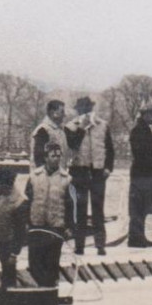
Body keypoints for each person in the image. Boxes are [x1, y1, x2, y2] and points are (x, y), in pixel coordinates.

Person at [65, 95, 114, 255]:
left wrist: (108, 168)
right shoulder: (70, 126)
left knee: (98, 208)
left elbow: (110, 149)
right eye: (82, 110)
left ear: (92, 109)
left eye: (88, 109)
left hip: (98, 172)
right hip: (79, 171)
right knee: (80, 210)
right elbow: (71, 146)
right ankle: (79, 246)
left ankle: (100, 245)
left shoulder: (103, 125)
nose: (86, 112)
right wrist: (81, 128)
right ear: (78, 111)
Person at [25, 141, 74, 286]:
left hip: (55, 227)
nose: (57, 159)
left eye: (59, 156)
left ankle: (50, 294)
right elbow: (27, 201)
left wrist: (69, 226)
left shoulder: (67, 179)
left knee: (52, 264)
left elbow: (71, 206)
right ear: (46, 157)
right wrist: (26, 222)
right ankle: (38, 294)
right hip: (36, 226)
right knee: (34, 264)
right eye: (53, 156)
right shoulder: (34, 176)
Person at [126, 104, 152, 247]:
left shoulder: (143, 129)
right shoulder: (138, 130)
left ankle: (139, 236)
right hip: (142, 173)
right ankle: (135, 238)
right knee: (138, 206)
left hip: (144, 173)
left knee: (143, 206)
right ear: (146, 115)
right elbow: (140, 154)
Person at [29, 99, 70, 172]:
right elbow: (39, 158)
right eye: (62, 112)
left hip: (57, 177)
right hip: (45, 178)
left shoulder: (60, 131)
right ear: (53, 112)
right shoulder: (43, 130)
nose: (64, 115)